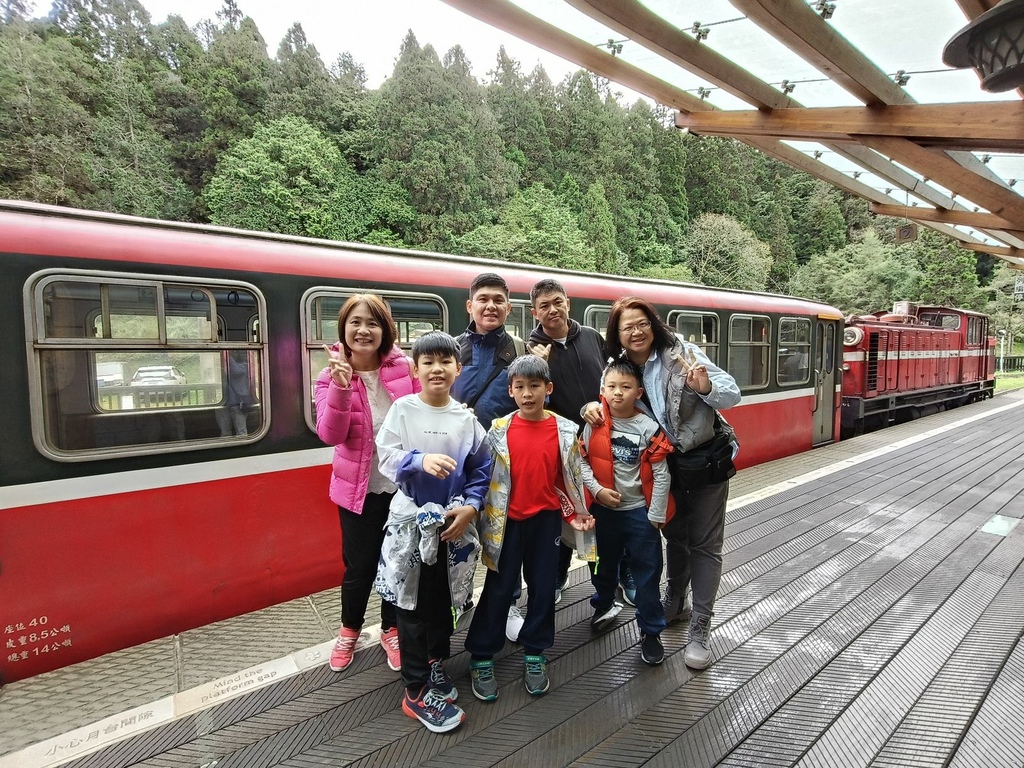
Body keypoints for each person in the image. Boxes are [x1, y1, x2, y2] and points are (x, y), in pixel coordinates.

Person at [586, 297, 740, 671]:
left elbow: (731, 393)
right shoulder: (617, 368)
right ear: (617, 335)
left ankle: (700, 627)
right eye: (627, 327)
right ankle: (675, 599)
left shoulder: (682, 354)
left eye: (642, 323)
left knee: (704, 545)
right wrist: (587, 408)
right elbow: (611, 404)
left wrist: (705, 388)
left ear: (653, 325)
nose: (636, 332)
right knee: (674, 537)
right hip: (658, 471)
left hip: (700, 464)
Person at [374, 331, 492, 733]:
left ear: (458, 369)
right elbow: (387, 458)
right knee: (410, 604)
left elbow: (481, 470)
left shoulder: (465, 418)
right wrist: (419, 461)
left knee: (444, 599)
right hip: (411, 523)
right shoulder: (403, 410)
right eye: (428, 362)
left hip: (451, 524)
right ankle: (416, 691)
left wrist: (472, 507)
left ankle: (434, 661)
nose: (437, 369)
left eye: (446, 361)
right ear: (415, 368)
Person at [464, 356, 594, 702]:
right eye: (519, 386)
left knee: (542, 587)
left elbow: (570, 478)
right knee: (499, 586)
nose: (527, 393)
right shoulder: (498, 430)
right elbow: (483, 477)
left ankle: (536, 650)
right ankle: (481, 654)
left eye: (535, 386)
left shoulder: (564, 430)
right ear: (510, 391)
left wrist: (578, 513)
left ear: (548, 389)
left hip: (545, 522)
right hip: (505, 524)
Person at [315, 294, 417, 674]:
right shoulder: (329, 377)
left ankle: (390, 629)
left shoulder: (405, 369)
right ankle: (350, 630)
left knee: (399, 562)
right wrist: (342, 388)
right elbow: (330, 434)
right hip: (357, 491)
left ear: (385, 330)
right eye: (355, 322)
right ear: (343, 329)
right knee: (358, 567)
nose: (363, 330)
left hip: (402, 489)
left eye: (372, 323)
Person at [527, 278, 635, 606]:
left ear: (568, 303)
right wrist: (539, 367)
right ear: (534, 312)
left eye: (557, 302)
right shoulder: (531, 350)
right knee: (562, 513)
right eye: (544, 306)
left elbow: (612, 380)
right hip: (560, 447)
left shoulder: (591, 337)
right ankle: (558, 574)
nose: (552, 310)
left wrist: (602, 407)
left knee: (608, 509)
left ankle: (619, 574)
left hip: (603, 441)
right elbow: (529, 404)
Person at [578, 358, 674, 666]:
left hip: (639, 515)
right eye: (611, 387)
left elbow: (662, 474)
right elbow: (581, 461)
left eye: (626, 387)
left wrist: (655, 514)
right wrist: (598, 491)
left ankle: (651, 631)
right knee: (602, 565)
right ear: (602, 390)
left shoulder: (648, 428)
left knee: (647, 575)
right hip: (603, 511)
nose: (617, 393)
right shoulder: (594, 423)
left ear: (639, 392)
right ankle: (604, 603)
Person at [451, 272, 527, 641]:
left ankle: (508, 602)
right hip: (458, 464)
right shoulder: (451, 350)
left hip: (505, 463)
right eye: (483, 299)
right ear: (470, 305)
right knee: (459, 538)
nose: (490, 305)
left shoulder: (521, 350)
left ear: (509, 307)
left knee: (503, 538)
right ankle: (459, 598)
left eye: (498, 299)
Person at [216, 349, 253, 436]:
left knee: (241, 431)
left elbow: (236, 371)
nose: (234, 353)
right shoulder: (223, 366)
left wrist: (227, 357)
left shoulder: (244, 366)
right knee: (225, 432)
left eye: (235, 351)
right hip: (224, 403)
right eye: (231, 352)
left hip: (238, 403)